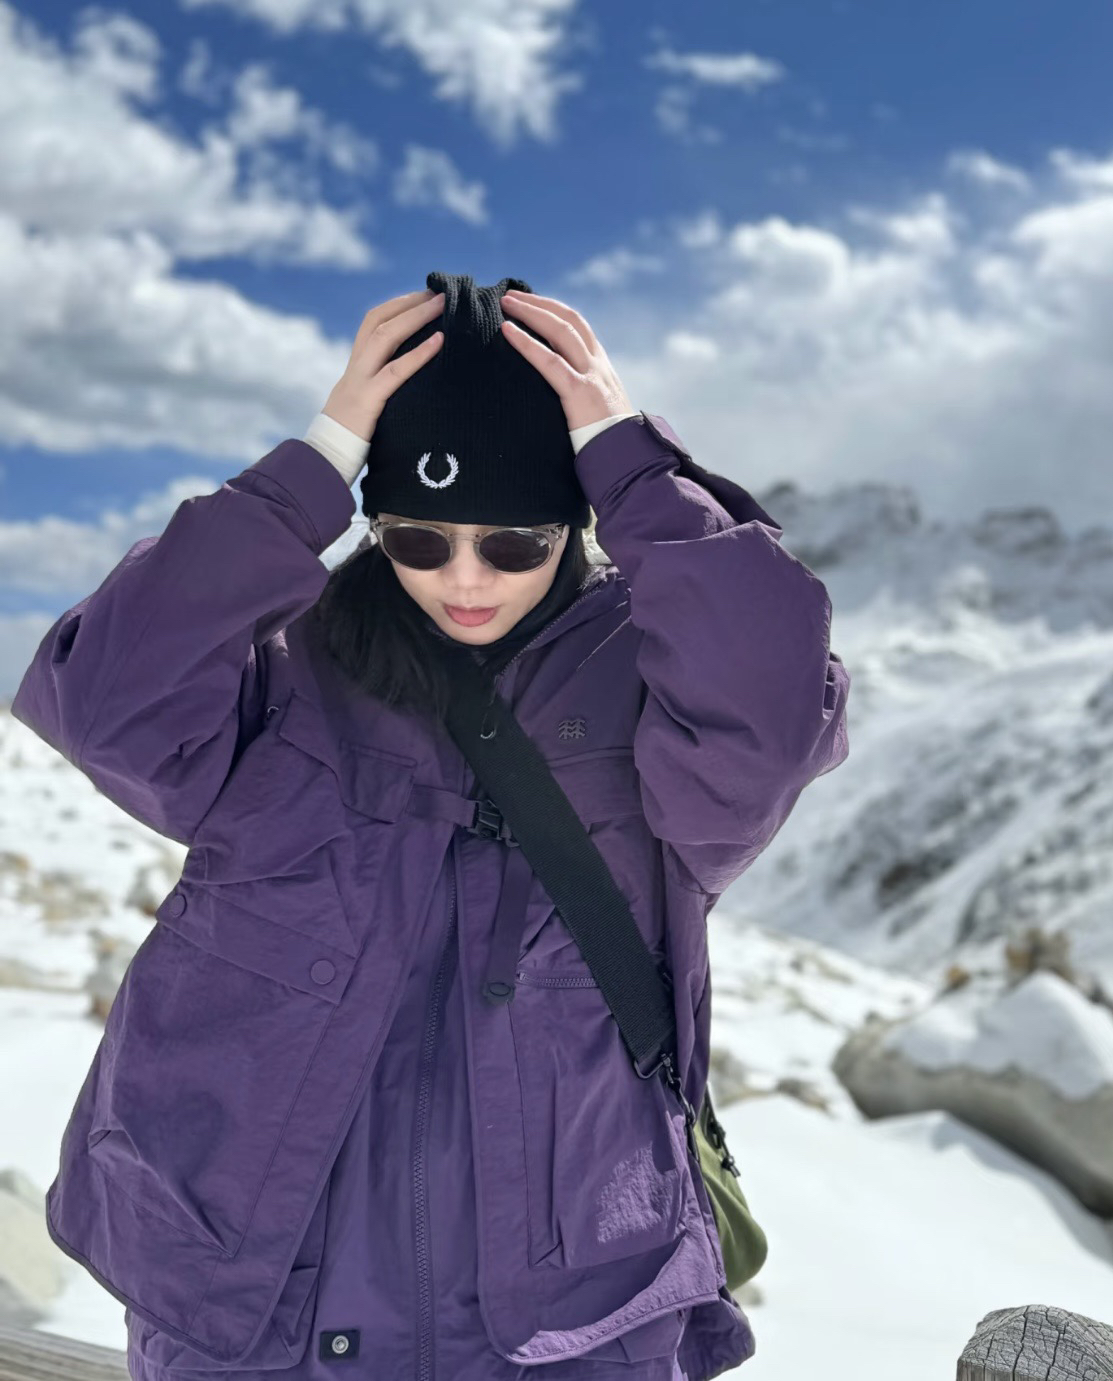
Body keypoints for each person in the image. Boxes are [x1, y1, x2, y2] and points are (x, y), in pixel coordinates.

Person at [10, 271, 852, 1380]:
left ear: (574, 525)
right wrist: (317, 462)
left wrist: (632, 465)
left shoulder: (649, 682)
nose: (465, 581)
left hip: (565, 1319)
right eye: (417, 538)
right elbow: (107, 700)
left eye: (514, 544)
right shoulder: (289, 670)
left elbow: (773, 710)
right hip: (255, 1303)